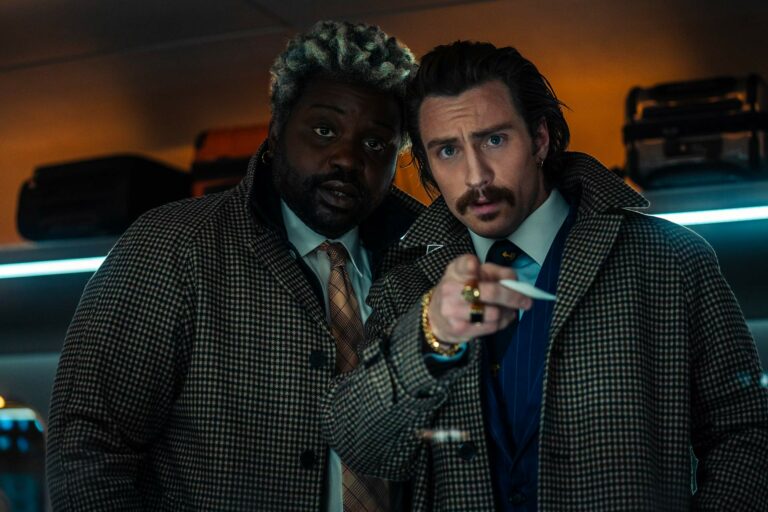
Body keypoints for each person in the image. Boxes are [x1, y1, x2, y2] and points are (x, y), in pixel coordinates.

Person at [322, 41, 768, 511]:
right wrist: (430, 336)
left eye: (494, 140)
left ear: (539, 139)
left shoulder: (669, 258)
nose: (475, 176)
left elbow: (747, 432)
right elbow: (361, 444)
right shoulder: (406, 284)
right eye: (448, 150)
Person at [46, 20, 421, 511]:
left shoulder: (429, 263)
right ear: (277, 130)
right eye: (324, 130)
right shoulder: (171, 247)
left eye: (375, 143)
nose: (347, 159)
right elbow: (88, 448)